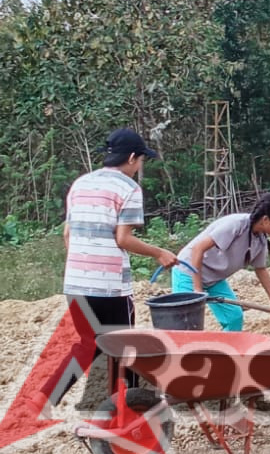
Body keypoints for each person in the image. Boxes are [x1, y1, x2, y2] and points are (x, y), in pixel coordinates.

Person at [55, 128, 178, 409]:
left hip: (75, 281)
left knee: (90, 343)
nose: (140, 166)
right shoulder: (129, 188)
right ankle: (124, 408)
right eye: (141, 160)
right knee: (124, 348)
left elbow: (67, 235)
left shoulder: (81, 183)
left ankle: (47, 397)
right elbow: (123, 238)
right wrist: (159, 253)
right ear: (133, 158)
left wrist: (82, 266)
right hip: (109, 286)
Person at [172, 193, 270, 331]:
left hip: (214, 279)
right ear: (266, 220)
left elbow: (260, 269)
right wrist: (197, 289)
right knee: (187, 324)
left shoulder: (260, 240)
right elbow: (198, 249)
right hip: (189, 271)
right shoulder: (236, 225)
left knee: (234, 317)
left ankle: (225, 351)